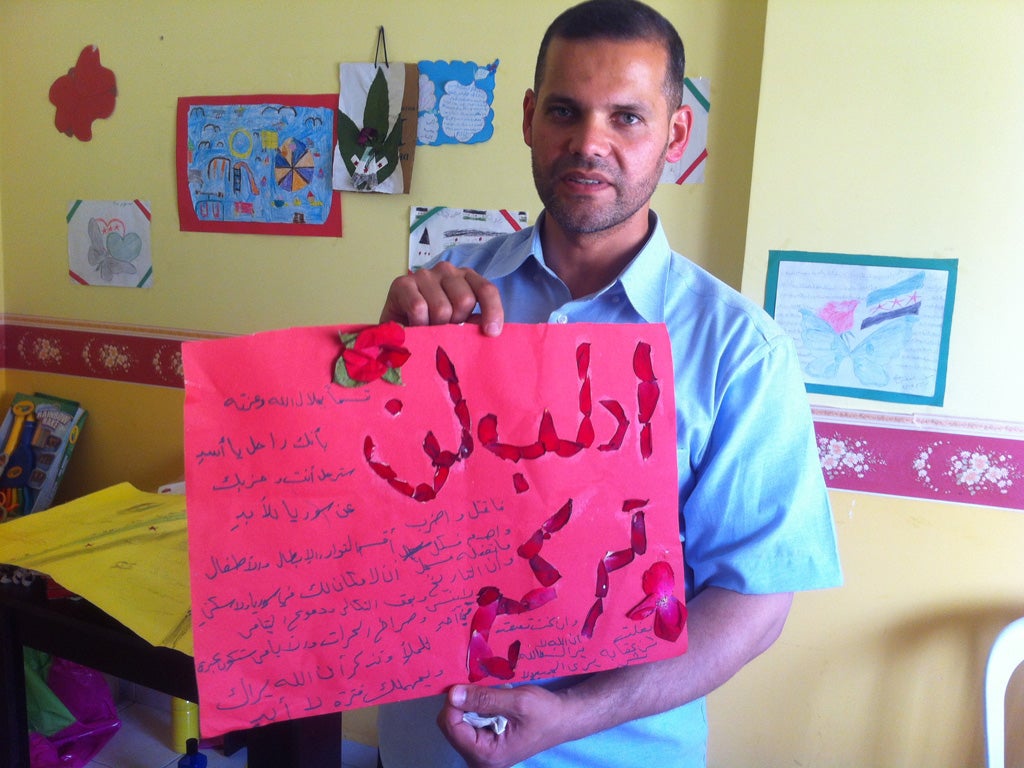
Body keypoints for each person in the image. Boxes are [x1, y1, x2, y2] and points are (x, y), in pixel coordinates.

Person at [376, 1, 842, 766]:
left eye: (626, 117)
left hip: (617, 752)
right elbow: (374, 507)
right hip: (423, 744)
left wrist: (574, 714)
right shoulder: (443, 302)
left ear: (676, 134)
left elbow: (754, 601)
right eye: (565, 110)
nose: (589, 143)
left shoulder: (739, 351)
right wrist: (380, 364)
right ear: (529, 118)